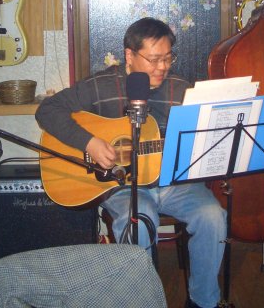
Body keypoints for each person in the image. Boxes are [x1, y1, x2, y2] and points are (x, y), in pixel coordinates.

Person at [36, 17, 227, 308]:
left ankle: (203, 301)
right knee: (139, 222)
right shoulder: (100, 86)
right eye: (154, 59)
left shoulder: (181, 89)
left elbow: (196, 138)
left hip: (173, 183)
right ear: (129, 55)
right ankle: (142, 300)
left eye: (168, 58)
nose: (162, 67)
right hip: (122, 186)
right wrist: (89, 142)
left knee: (212, 215)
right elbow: (47, 111)